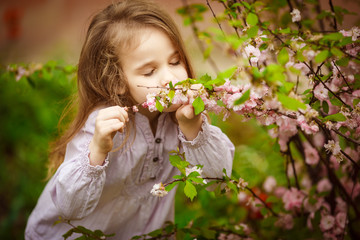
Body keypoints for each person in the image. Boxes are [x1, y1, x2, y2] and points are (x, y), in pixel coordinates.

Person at [25, 0, 234, 239]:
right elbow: (70, 207)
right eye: (149, 71)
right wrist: (97, 151)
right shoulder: (103, 126)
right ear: (118, 83)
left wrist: (193, 128)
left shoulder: (186, 117)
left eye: (175, 61)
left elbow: (220, 180)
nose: (170, 78)